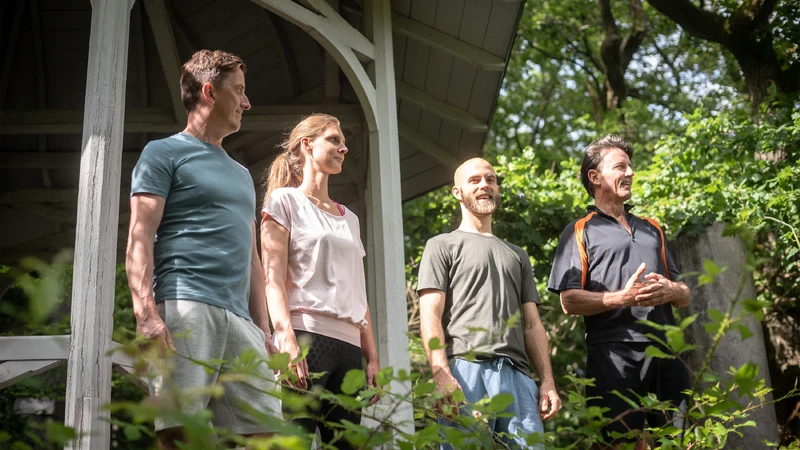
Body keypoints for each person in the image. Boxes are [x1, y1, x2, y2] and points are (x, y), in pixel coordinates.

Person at [126, 49, 281, 449]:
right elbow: (140, 235)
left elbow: (253, 259)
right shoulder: (163, 153)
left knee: (264, 436)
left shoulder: (243, 174)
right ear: (210, 92)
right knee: (181, 433)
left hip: (241, 321)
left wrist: (262, 329)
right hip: (186, 307)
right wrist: (145, 313)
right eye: (240, 91)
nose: (247, 102)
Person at [548, 134, 691, 447]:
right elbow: (568, 301)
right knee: (623, 443)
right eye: (620, 167)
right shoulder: (580, 229)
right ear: (595, 177)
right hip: (613, 353)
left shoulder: (653, 227)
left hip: (665, 349)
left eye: (631, 167)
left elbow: (685, 294)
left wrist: (670, 290)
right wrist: (620, 299)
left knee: (678, 441)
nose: (630, 173)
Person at [417, 157, 561, 449]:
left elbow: (532, 324)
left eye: (490, 179)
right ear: (457, 192)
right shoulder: (441, 245)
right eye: (474, 180)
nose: (484, 185)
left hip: (518, 377)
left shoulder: (517, 255)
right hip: (465, 372)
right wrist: (440, 372)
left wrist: (547, 381)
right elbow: (430, 313)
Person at [260, 113, 379, 449]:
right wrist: (286, 340)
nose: (344, 148)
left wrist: (371, 357)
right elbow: (273, 278)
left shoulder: (350, 219)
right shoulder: (284, 201)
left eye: (344, 143)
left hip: (350, 349)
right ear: (307, 144)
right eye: (334, 140)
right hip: (306, 338)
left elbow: (358, 290)